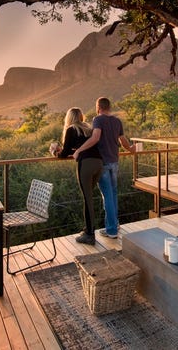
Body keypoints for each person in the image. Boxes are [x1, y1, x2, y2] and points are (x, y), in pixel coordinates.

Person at [73, 97, 135, 239]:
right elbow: (123, 140)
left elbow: (95, 138)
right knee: (112, 194)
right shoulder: (117, 121)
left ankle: (112, 230)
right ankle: (114, 224)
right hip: (114, 161)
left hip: (104, 163)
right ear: (109, 107)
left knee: (107, 196)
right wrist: (131, 149)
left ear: (98, 107)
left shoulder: (98, 119)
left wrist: (79, 150)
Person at [51, 107, 102, 245]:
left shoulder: (71, 129)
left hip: (86, 164)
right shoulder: (88, 128)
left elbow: (64, 153)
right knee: (89, 196)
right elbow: (82, 146)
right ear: (81, 116)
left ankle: (90, 234)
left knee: (87, 198)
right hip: (99, 163)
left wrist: (55, 152)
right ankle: (88, 229)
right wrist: (73, 150)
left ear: (69, 118)